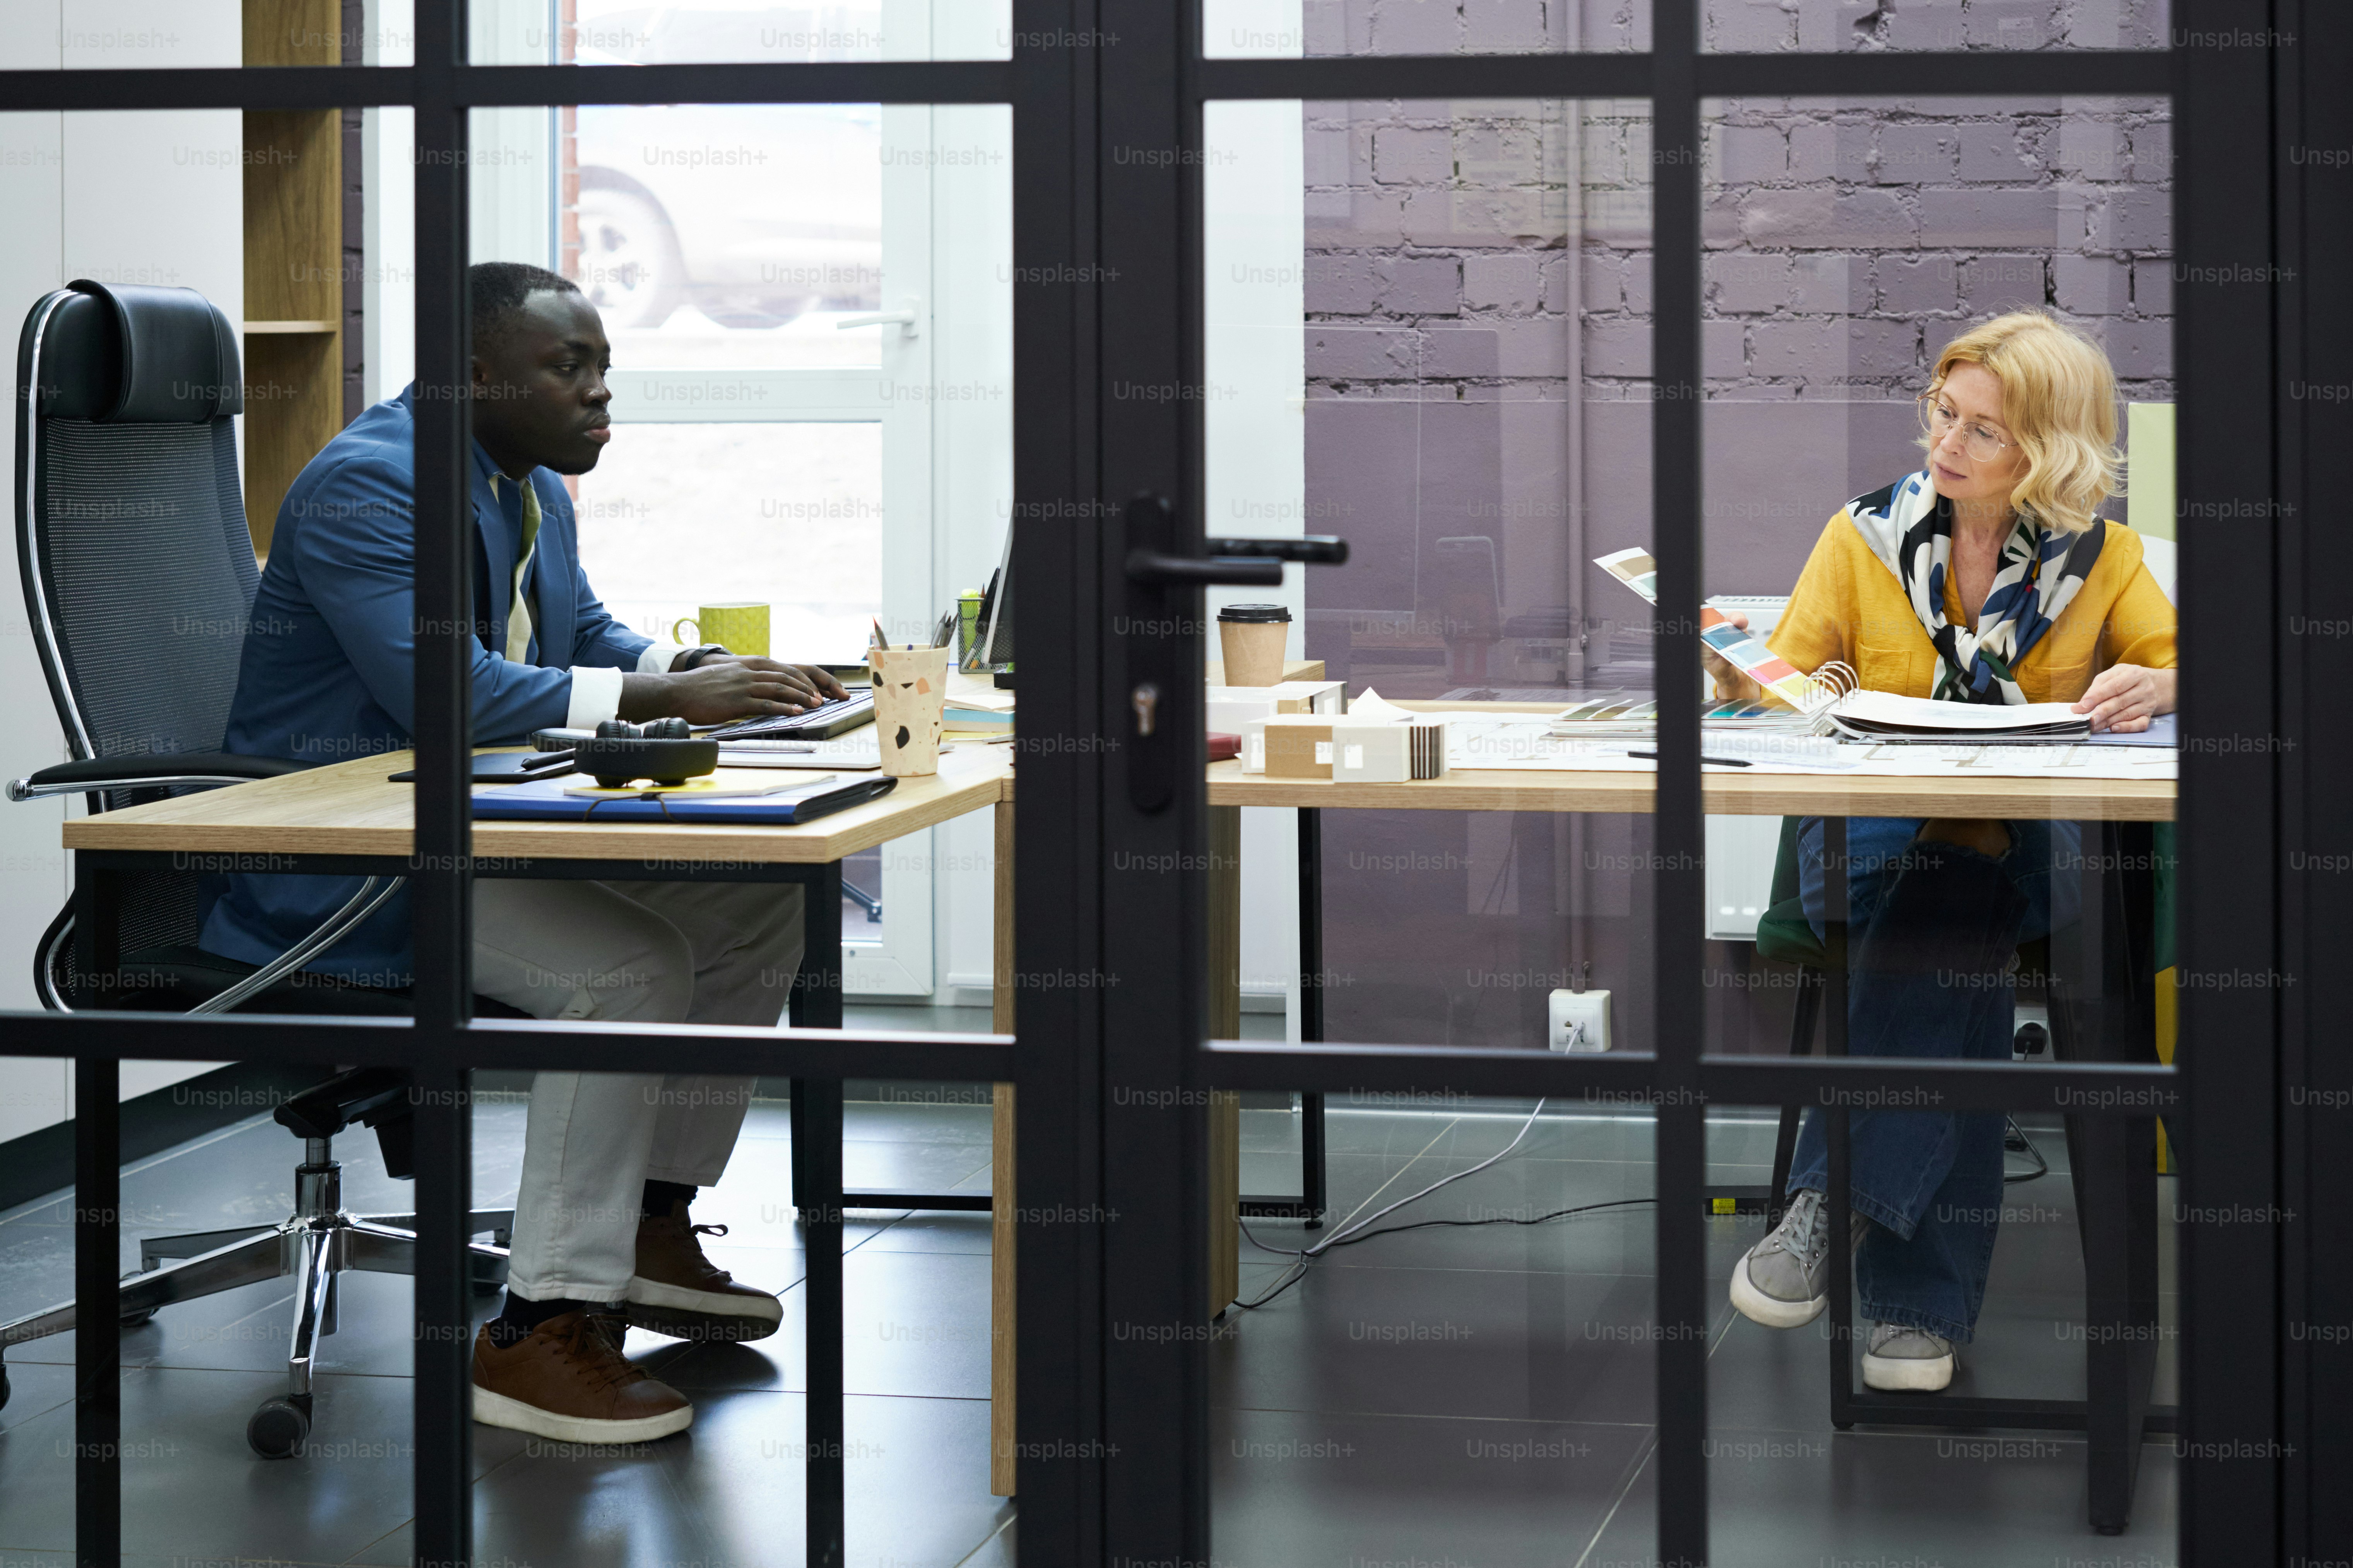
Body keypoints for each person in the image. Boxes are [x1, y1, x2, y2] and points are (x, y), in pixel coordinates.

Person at [202, 261, 849, 1443]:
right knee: (629, 972)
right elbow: (444, 688)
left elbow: (584, 635)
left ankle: (648, 1221)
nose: (602, 397)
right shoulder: (371, 487)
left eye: (605, 370)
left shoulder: (523, 483)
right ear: (475, 374)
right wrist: (657, 698)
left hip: (470, 835)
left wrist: (692, 669)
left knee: (765, 897)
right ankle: (537, 1326)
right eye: (572, 370)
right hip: (349, 868)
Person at [1710, 311, 2176, 1392]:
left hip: (2028, 853)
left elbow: (2173, 665)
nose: (1945, 444)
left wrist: (2151, 684)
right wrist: (1739, 675)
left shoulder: (2102, 560)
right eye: (1942, 413)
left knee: (1952, 901)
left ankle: (1830, 1202)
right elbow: (1784, 677)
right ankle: (1913, 1315)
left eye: (1982, 431)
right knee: (1944, 907)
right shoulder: (1860, 534)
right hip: (1869, 846)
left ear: (2048, 452)